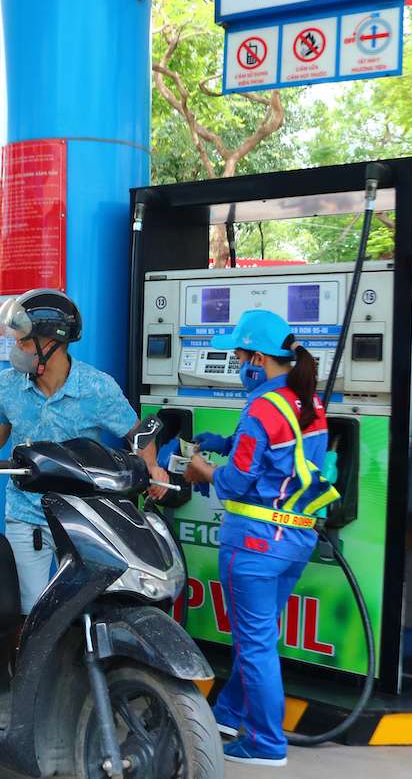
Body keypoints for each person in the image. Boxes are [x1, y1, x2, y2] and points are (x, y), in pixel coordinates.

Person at [0, 289, 169, 615]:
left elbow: (139, 434)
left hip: (82, 517)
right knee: (30, 609)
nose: (16, 349)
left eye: (23, 341)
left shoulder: (97, 388)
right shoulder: (8, 385)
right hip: (25, 514)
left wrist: (154, 468)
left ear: (53, 343)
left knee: (80, 608)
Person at [180, 309, 340, 768]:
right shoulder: (304, 401)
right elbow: (278, 452)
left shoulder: (261, 406)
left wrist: (201, 468)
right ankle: (229, 714)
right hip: (295, 541)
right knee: (259, 636)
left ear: (258, 358)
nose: (236, 363)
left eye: (239, 354)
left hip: (254, 543)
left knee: (254, 643)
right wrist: (226, 441)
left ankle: (266, 743)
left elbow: (233, 483)